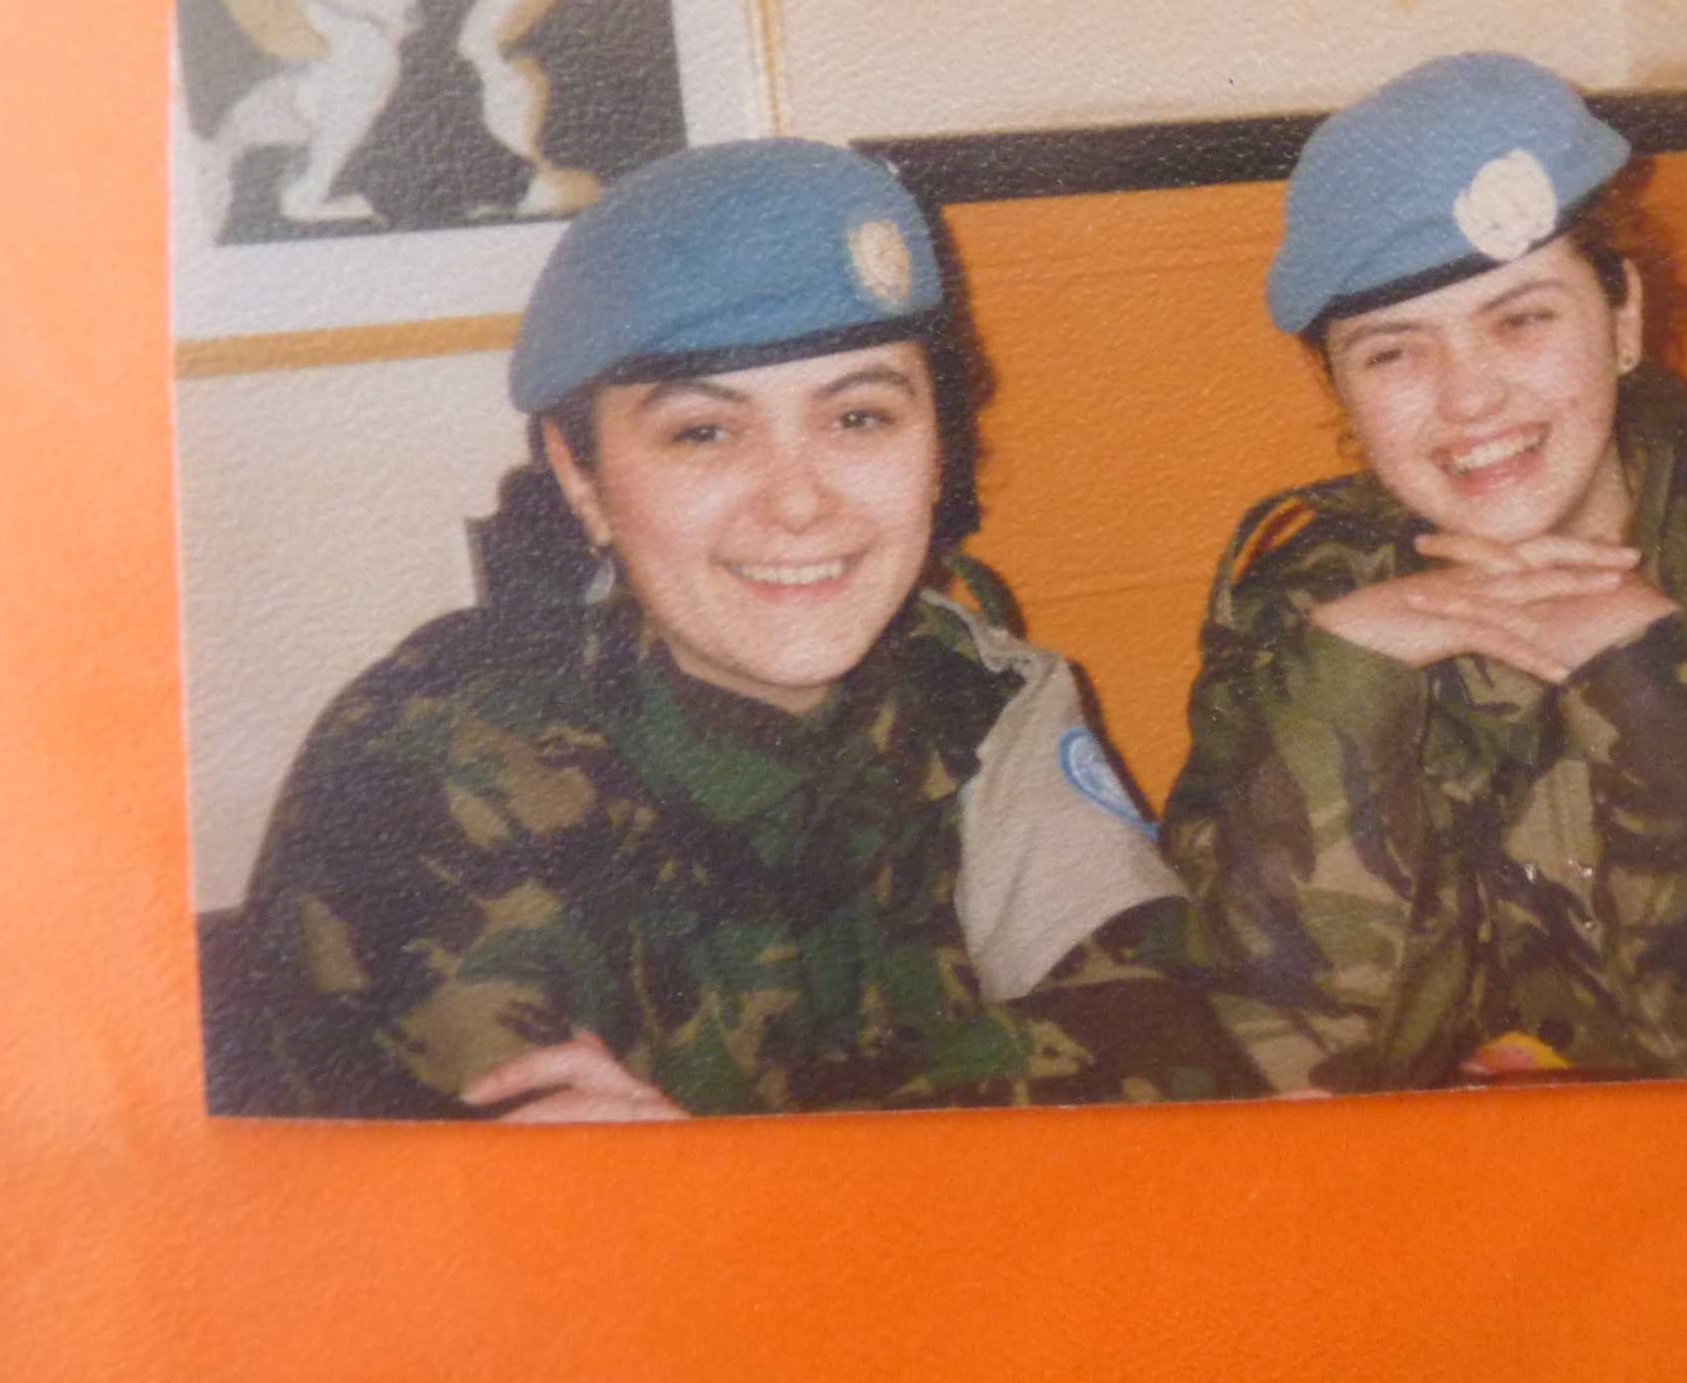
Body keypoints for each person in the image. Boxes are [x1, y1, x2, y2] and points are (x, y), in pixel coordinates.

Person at [229, 139, 1258, 1118]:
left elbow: (1165, 1046)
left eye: (859, 417)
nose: (798, 503)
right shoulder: (436, 761)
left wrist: (729, 1124)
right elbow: (578, 1227)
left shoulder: (978, 694)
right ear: (579, 475)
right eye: (705, 433)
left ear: (939, 444)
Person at [1160, 53, 1687, 1094]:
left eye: (1522, 318)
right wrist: (1348, 688)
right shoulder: (1306, 590)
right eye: (1395, 352)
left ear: (1622, 317)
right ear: (1341, 389)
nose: (1469, 399)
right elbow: (1280, 1057)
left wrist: (1654, 692)